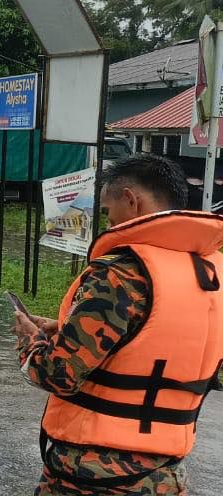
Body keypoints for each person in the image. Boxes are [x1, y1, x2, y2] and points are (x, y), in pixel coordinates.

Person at [12, 154, 223, 495]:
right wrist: (66, 329)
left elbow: (57, 374)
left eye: (109, 210)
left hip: (91, 476)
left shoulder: (119, 274)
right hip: (165, 476)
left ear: (131, 199)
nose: (108, 223)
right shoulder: (213, 274)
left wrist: (30, 341)